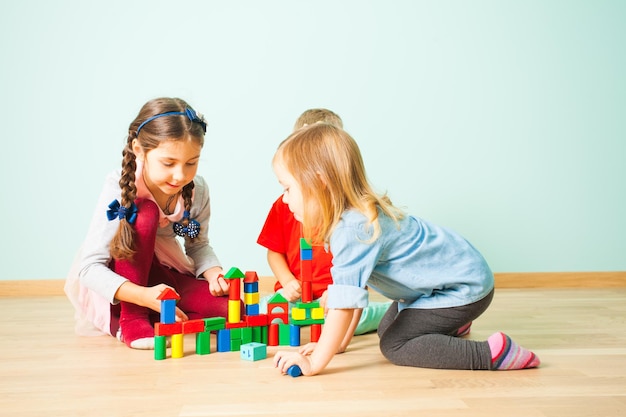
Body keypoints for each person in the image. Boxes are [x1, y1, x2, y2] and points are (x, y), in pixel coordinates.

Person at [272, 123, 541, 376]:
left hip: (464, 288)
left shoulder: (352, 230)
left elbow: (343, 306)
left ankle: (493, 354)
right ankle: (453, 324)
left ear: (319, 182)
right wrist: (336, 344)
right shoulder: (353, 218)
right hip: (449, 283)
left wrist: (316, 361)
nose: (284, 199)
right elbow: (353, 292)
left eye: (287, 188)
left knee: (394, 345)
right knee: (387, 329)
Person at [65, 97, 232, 349]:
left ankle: (163, 316)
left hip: (163, 273)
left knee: (230, 308)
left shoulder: (197, 189)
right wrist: (142, 296)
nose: (180, 175)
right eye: (168, 163)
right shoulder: (119, 187)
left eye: (191, 163)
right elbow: (89, 269)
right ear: (139, 150)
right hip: (123, 278)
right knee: (145, 212)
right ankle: (132, 318)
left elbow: (198, 245)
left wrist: (214, 273)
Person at [257, 108, 390, 336]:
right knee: (264, 313)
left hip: (335, 298)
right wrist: (288, 282)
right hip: (297, 298)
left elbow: (361, 262)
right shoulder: (285, 204)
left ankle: (389, 313)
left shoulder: (351, 213)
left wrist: (339, 294)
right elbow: (273, 252)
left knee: (348, 322)